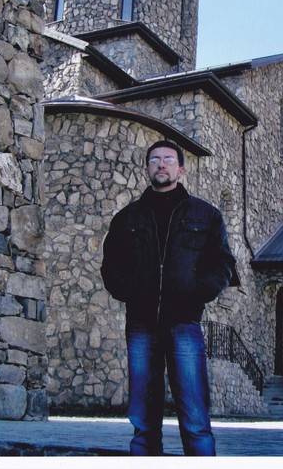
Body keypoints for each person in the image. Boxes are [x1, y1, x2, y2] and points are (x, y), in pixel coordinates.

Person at [101, 140, 236, 456]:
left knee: (195, 417)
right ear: (146, 169)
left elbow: (223, 262)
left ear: (181, 170)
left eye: (168, 159)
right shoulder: (126, 218)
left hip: (184, 322)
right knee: (143, 419)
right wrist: (130, 290)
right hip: (141, 324)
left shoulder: (206, 215)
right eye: (155, 160)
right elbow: (111, 266)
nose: (161, 164)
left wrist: (197, 291)